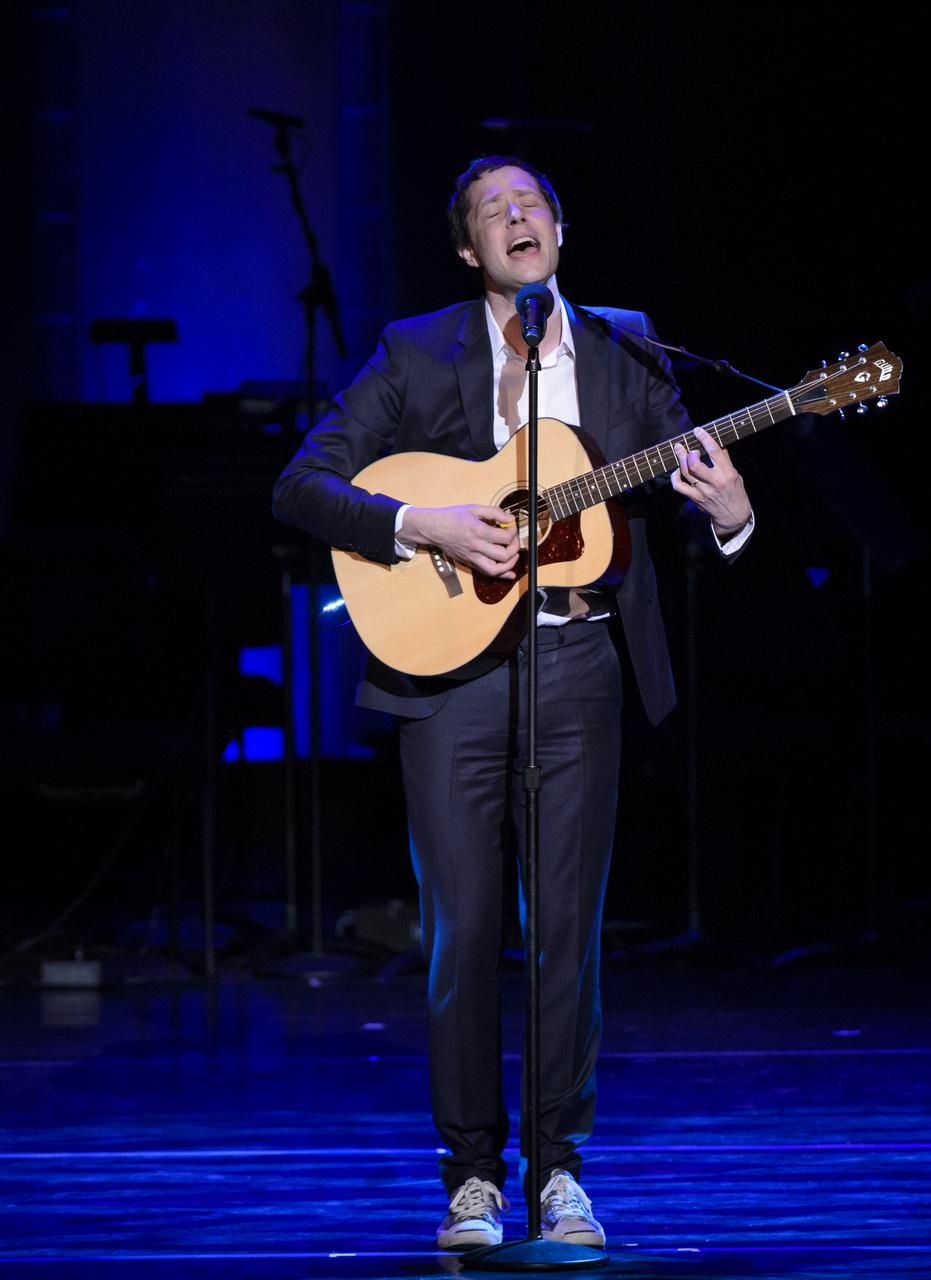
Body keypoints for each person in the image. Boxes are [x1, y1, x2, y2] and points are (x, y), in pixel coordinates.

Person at [272, 155, 754, 1250]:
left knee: (565, 935)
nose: (515, 216)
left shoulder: (627, 341)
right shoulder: (412, 347)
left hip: (579, 664)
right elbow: (300, 481)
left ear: (559, 230)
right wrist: (419, 524)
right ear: (466, 249)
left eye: (530, 201)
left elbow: (676, 492)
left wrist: (726, 510)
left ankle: (560, 1170)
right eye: (492, 209)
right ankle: (472, 1174)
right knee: (463, 931)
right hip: (444, 673)